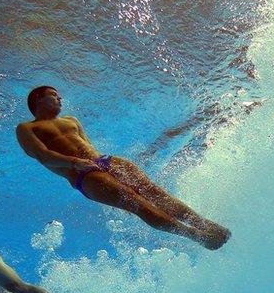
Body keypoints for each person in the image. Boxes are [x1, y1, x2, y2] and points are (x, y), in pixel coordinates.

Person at [15, 85, 231, 250]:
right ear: (38, 99)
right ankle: (195, 236)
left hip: (106, 161)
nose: (60, 98)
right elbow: (43, 156)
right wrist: (73, 162)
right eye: (54, 95)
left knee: (156, 193)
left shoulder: (72, 120)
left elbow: (88, 145)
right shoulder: (27, 127)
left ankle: (205, 225)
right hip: (83, 174)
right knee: (138, 203)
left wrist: (97, 161)